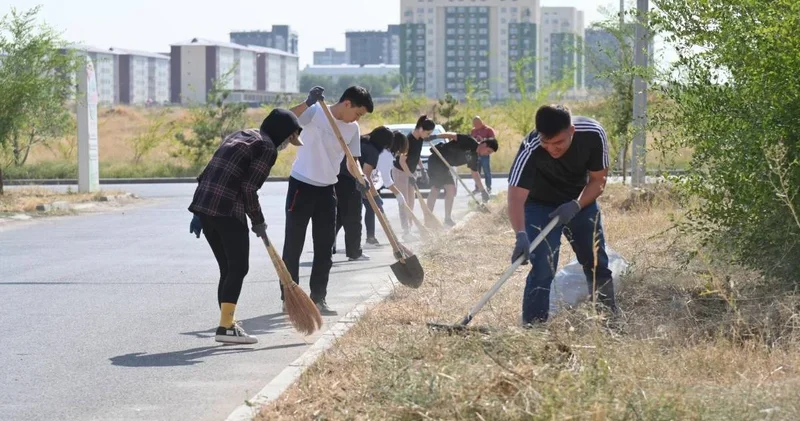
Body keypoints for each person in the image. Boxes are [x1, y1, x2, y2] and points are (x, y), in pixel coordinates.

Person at [188, 108, 303, 344]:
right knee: (238, 268)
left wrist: (198, 212)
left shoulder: (240, 134)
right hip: (227, 211)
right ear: (283, 134)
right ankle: (227, 327)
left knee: (228, 269)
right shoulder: (266, 148)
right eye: (289, 139)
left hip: (206, 207)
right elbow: (249, 189)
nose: (286, 145)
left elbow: (207, 171)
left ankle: (227, 324)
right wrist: (258, 220)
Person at [507, 104, 617, 326]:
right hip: (540, 205)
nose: (552, 149)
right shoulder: (531, 147)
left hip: (580, 201)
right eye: (546, 143)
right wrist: (520, 234)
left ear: (572, 132)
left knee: (595, 261)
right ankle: (534, 328)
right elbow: (516, 197)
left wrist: (576, 205)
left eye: (558, 143)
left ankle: (607, 321)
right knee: (543, 266)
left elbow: (599, 181)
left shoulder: (593, 134)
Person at [282, 86, 373, 315]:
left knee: (324, 249)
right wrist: (307, 101)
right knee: (293, 246)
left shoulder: (352, 128)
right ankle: (290, 298)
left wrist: (361, 179)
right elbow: (284, 120)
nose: (358, 118)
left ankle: (318, 298)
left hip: (326, 190)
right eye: (358, 112)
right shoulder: (316, 112)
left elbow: (353, 162)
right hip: (301, 185)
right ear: (347, 104)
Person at [332, 126, 393, 260]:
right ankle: (354, 253)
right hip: (351, 182)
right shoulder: (373, 151)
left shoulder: (361, 142)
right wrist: (376, 197)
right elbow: (365, 175)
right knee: (354, 218)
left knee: (340, 217)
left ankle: (329, 246)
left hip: (336, 179)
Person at [426, 132, 498, 227]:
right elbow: (452, 135)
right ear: (484, 145)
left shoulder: (474, 157)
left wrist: (483, 191)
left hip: (445, 166)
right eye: (488, 151)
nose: (486, 154)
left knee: (451, 190)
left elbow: (475, 173)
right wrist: (434, 136)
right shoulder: (469, 141)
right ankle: (428, 218)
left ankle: (447, 219)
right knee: (436, 189)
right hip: (437, 159)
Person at [363, 131, 410, 246]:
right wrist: (398, 194)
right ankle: (370, 239)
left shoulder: (385, 153)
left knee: (371, 209)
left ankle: (370, 238)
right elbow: (387, 179)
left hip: (371, 183)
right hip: (366, 182)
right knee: (372, 208)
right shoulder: (386, 155)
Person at [392, 115, 435, 239]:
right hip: (401, 172)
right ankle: (406, 231)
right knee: (403, 202)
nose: (428, 136)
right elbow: (401, 161)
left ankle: (410, 227)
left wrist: (422, 169)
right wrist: (410, 175)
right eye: (427, 133)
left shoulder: (420, 139)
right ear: (421, 129)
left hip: (411, 172)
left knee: (411, 201)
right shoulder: (409, 140)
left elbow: (416, 156)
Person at [471, 116, 496, 194]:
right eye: (474, 124)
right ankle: (477, 188)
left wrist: (483, 140)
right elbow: (470, 140)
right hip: (476, 154)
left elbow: (493, 141)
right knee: (476, 171)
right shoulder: (473, 130)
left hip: (485, 154)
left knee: (486, 171)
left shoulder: (488, 130)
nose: (475, 125)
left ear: (480, 122)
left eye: (476, 124)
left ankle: (488, 188)